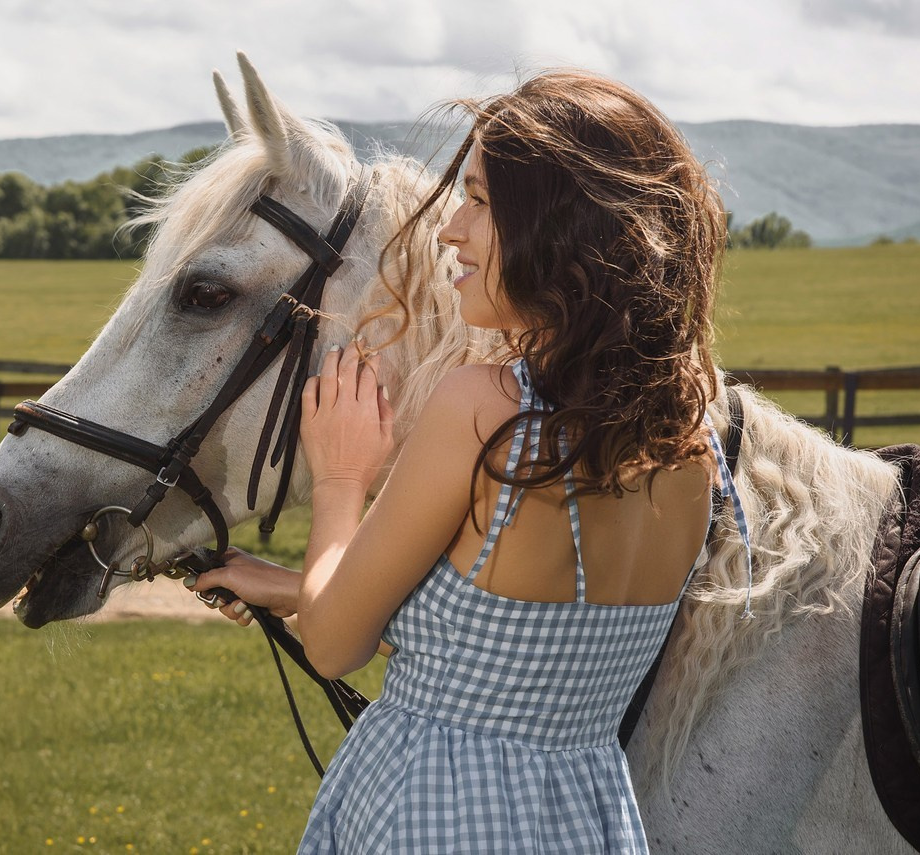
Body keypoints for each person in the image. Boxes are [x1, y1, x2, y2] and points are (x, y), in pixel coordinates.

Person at [187, 69, 748, 853]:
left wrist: (344, 479)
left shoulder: (480, 408)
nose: (450, 227)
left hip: (434, 815)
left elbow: (333, 646)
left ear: (563, 226)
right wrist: (284, 585)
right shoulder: (689, 439)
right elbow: (497, 655)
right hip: (586, 820)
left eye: (481, 200)